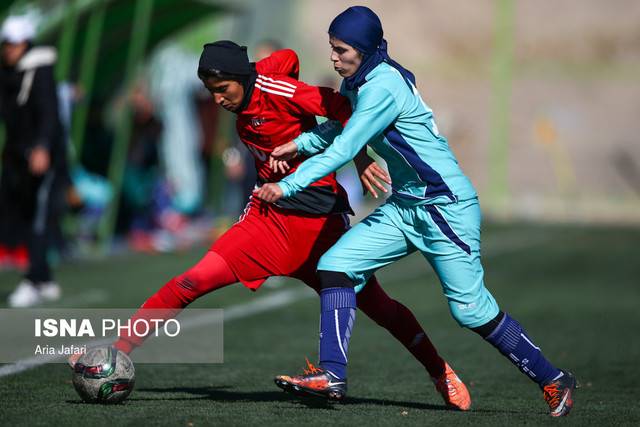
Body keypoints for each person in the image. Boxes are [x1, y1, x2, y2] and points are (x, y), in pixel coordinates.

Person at [102, 40, 471, 410]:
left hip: (321, 226)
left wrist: (359, 160)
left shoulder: (276, 89)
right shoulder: (252, 85)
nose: (216, 100)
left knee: (380, 308)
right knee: (193, 280)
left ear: (240, 78)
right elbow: (287, 58)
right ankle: (116, 354)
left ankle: (441, 372)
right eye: (210, 92)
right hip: (268, 222)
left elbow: (344, 109)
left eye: (221, 90)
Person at [256, 6, 577, 417]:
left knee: (470, 310)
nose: (333, 57)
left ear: (366, 48)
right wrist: (299, 145)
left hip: (445, 207)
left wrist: (287, 185)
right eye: (331, 48)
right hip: (408, 206)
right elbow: (339, 129)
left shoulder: (382, 86)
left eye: (341, 50)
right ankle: (331, 375)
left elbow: (346, 146)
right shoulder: (363, 78)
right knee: (336, 264)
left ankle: (553, 378)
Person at [0, 15, 64, 307]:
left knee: (37, 218)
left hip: (42, 157)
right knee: (24, 215)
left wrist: (41, 147)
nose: (9, 49)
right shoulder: (7, 74)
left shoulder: (40, 70)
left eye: (13, 44)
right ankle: (45, 278)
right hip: (17, 157)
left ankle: (33, 280)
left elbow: (49, 113)